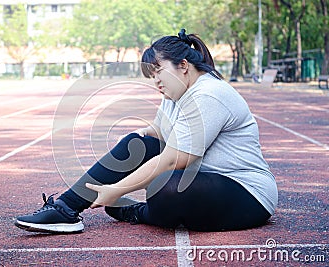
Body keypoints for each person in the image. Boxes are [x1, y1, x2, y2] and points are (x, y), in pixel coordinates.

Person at [14, 29, 278, 233]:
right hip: (205, 180)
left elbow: (175, 158)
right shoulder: (175, 93)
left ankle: (139, 212)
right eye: (152, 75)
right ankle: (67, 208)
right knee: (136, 143)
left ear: (183, 66)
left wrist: (115, 189)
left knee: (167, 186)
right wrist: (130, 143)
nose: (156, 81)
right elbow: (159, 132)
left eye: (159, 71)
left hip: (247, 193)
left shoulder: (209, 95)